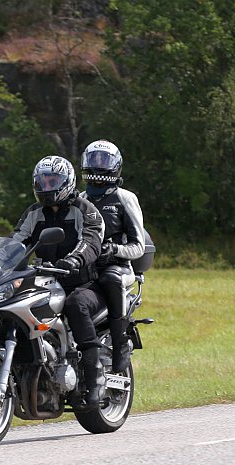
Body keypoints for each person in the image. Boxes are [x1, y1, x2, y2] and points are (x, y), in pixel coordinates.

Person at [11, 155, 106, 408]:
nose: (47, 186)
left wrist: (74, 261)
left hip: (82, 282)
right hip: (47, 280)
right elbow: (16, 242)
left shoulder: (85, 209)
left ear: (67, 181)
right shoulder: (34, 213)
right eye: (42, 181)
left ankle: (94, 379)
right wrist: (0, 261)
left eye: (53, 180)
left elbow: (91, 241)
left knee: (76, 305)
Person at [79, 140, 145, 374]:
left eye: (103, 161)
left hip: (117, 268)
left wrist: (114, 250)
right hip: (86, 267)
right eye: (94, 160)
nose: (97, 166)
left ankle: (120, 343)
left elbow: (139, 246)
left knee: (110, 279)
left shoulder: (124, 198)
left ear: (115, 165)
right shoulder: (80, 198)